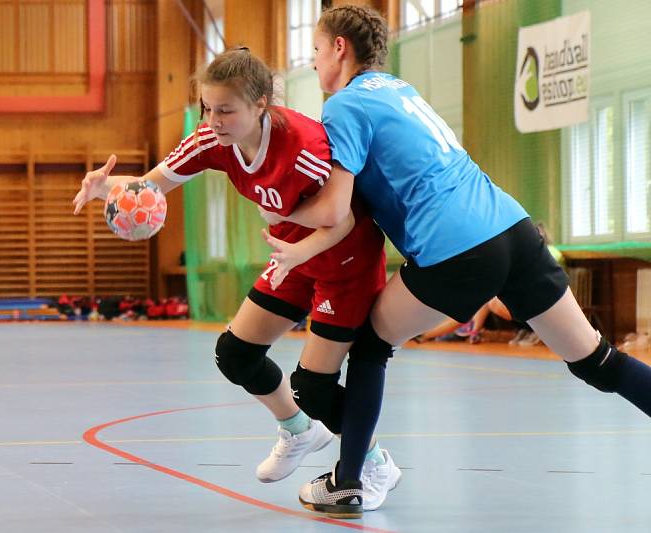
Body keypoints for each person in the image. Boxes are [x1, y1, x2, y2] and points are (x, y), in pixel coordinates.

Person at [258, 4, 651, 516]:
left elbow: (335, 207)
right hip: (513, 229)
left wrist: (276, 206)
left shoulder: (345, 105)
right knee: (597, 361)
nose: (313, 64)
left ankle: (352, 479)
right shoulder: (401, 90)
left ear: (339, 48)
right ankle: (354, 474)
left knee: (371, 344)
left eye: (315, 50)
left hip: (456, 247)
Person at [72, 47, 401, 516]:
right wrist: (106, 188)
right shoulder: (210, 140)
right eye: (207, 108)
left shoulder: (303, 147)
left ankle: (372, 463)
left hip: (341, 259)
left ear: (261, 103)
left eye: (225, 110)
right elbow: (151, 186)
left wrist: (298, 248)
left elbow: (340, 218)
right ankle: (297, 429)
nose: (213, 120)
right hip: (292, 253)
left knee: (316, 386)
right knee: (235, 353)